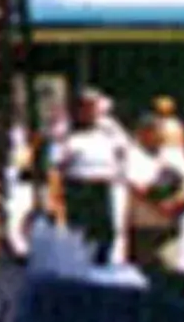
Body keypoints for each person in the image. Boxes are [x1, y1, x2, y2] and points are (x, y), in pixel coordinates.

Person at [123, 110, 184, 295]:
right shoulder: (132, 155)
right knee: (141, 278)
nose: (158, 135)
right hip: (142, 226)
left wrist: (179, 202)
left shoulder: (174, 155)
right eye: (153, 131)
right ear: (142, 133)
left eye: (159, 131)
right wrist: (161, 206)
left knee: (169, 271)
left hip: (169, 227)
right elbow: (137, 186)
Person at [49, 88, 126, 264]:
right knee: (79, 231)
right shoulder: (66, 130)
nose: (90, 111)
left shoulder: (109, 127)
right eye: (85, 107)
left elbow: (122, 148)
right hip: (78, 185)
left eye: (93, 106)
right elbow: (56, 161)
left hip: (102, 186)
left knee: (105, 231)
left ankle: (101, 261)